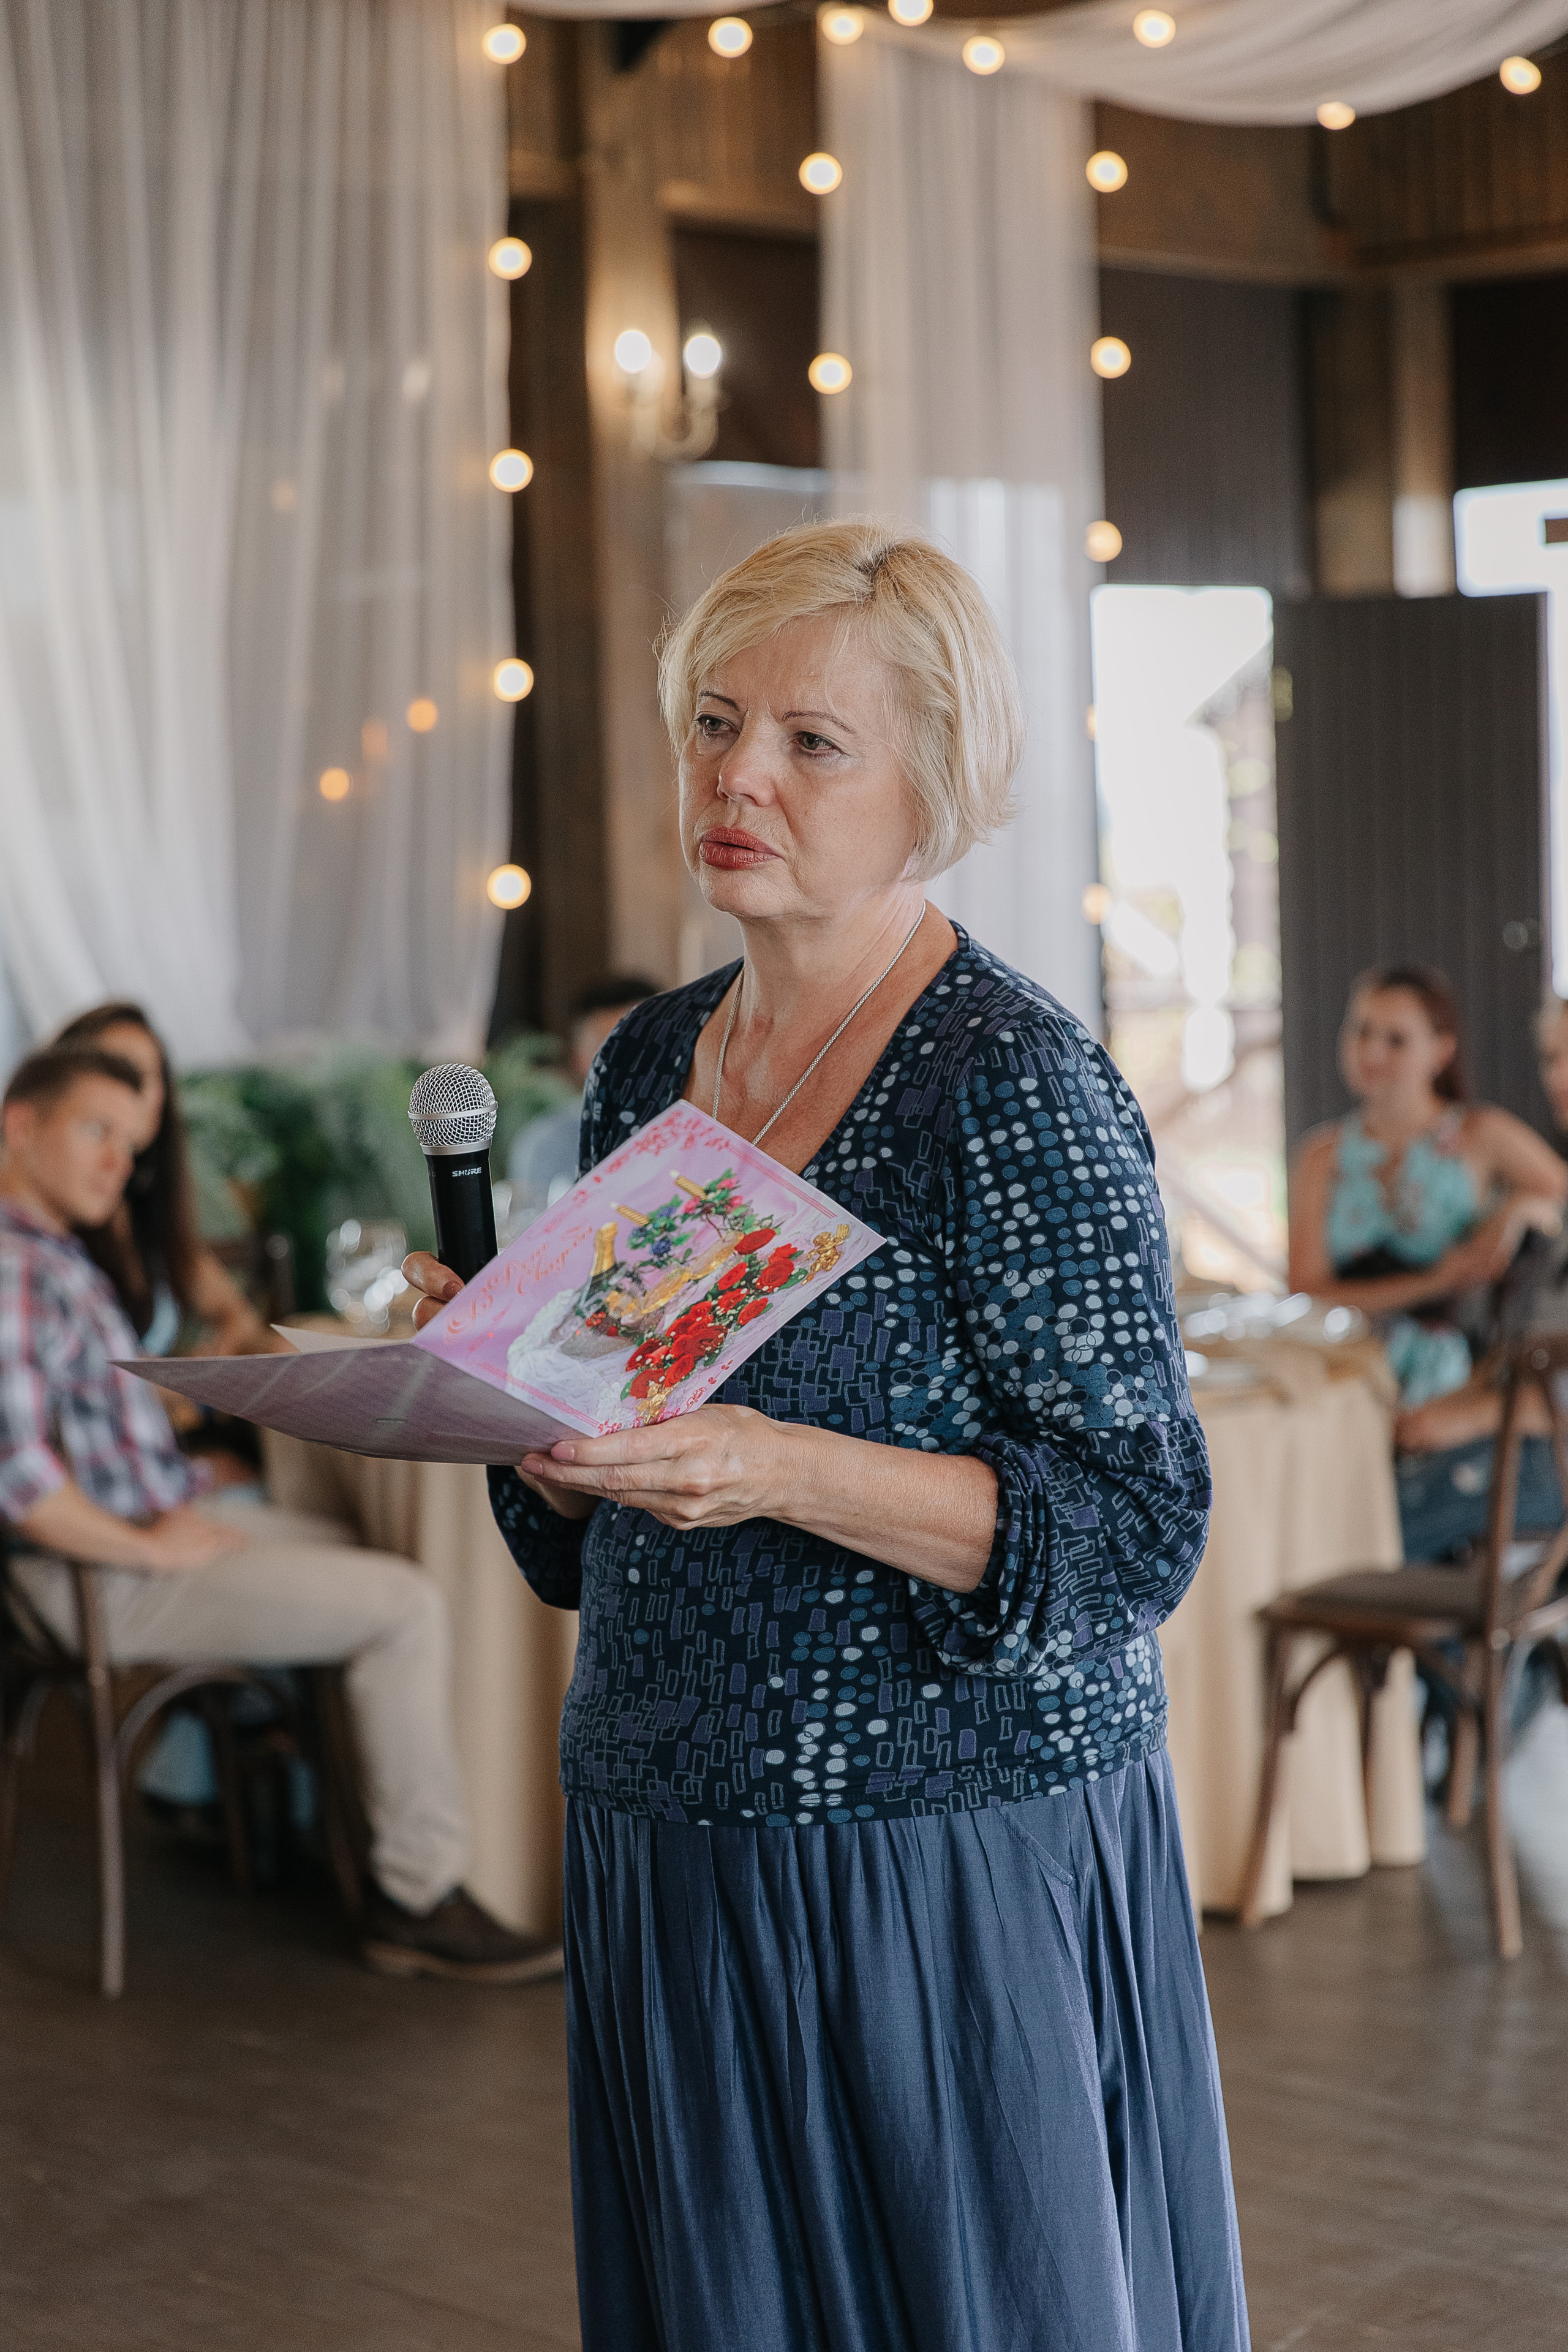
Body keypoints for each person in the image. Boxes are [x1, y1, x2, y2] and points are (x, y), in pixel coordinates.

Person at [407, 522, 1247, 2350]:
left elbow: (1128, 1532)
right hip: (660, 1831)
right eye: (714, 722)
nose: (735, 775)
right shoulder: (646, 1062)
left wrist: (776, 1463)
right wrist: (514, 1405)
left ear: (930, 785)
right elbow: (573, 1536)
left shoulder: (1012, 1079)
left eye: (810, 741)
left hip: (935, 1866)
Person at [0, 1044, 557, 1984]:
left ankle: (340, 1838)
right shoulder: (13, 1265)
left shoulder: (52, 1251)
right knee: (403, 1601)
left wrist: (180, 1480)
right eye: (96, 1132)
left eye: (132, 1148)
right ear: (20, 1125)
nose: (117, 1166)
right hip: (93, 1572)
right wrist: (149, 1544)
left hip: (147, 1522)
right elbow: (16, 1481)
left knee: (365, 1551)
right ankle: (416, 1898)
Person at [1288, 964, 1566, 1406]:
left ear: (1441, 1050)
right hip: (1349, 1368)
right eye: (1362, 1032)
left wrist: (1519, 1210)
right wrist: (1439, 1280)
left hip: (1462, 1374)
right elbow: (1307, 1289)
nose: (1372, 1052)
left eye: (1395, 1039)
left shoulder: (1481, 1134)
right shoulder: (1321, 1155)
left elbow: (1559, 1192)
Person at [1395, 997, 1568, 1561]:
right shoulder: (1550, 1203)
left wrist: (1470, 1416)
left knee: (1365, 1529)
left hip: (1549, 1455)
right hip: (1527, 1436)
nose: (1559, 1076)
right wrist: (1456, 1403)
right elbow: (1525, 1354)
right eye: (1551, 1057)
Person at [52, 1000, 277, 1358]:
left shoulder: (144, 1203)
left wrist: (209, 1359)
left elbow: (235, 1315)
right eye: (117, 1071)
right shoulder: (48, 1219)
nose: (132, 1092)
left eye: (150, 1074)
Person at [506, 974, 660, 1221]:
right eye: (608, 1050)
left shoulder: (699, 1124)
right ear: (579, 1058)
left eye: (644, 1047)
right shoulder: (546, 1146)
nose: (629, 1065)